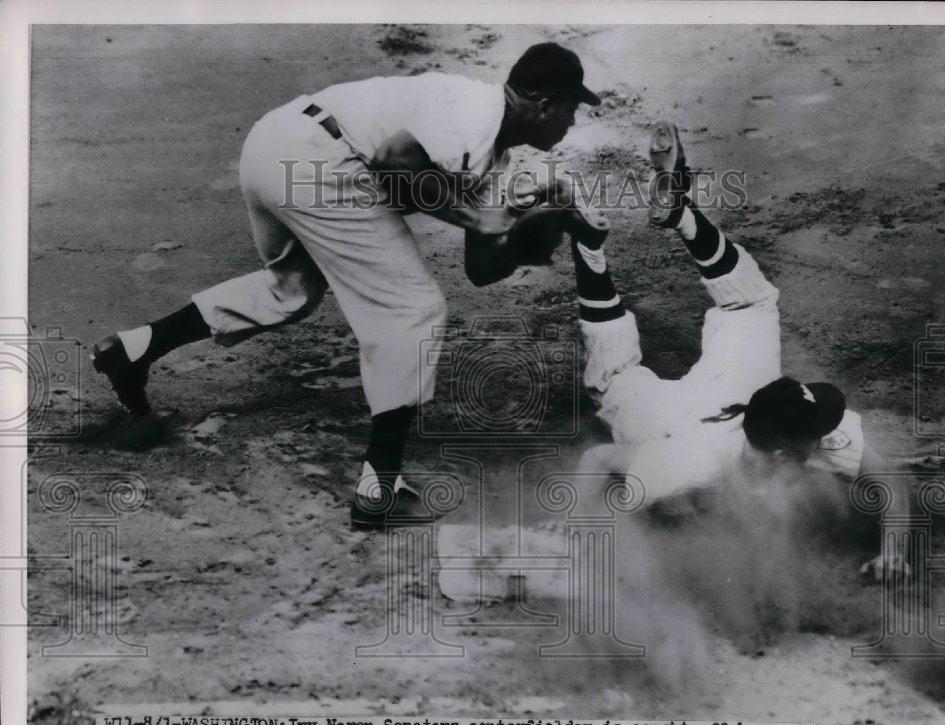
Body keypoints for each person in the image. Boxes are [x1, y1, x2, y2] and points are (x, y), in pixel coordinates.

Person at [91, 42, 606, 530]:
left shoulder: (496, 161)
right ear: (543, 105)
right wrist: (486, 219)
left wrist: (531, 223)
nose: (571, 122)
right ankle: (379, 491)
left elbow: (481, 268)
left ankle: (135, 349)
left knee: (289, 289)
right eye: (571, 110)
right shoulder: (472, 109)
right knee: (413, 307)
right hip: (317, 158)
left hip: (279, 149)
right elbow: (393, 161)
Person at [567, 123, 907, 577]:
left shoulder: (788, 412)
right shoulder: (692, 464)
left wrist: (895, 550)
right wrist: (576, 533)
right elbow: (598, 459)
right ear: (793, 451)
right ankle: (589, 247)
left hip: (740, 389)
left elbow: (889, 479)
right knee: (613, 383)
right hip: (672, 423)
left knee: (752, 301)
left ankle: (680, 216)